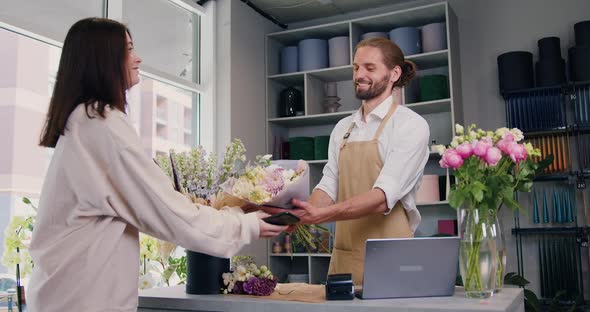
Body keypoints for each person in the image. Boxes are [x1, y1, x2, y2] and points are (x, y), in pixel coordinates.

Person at [27, 17, 287, 312]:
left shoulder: (81, 123)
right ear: (103, 59)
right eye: (128, 49)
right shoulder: (102, 127)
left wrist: (238, 215)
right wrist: (248, 225)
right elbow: (170, 213)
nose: (137, 58)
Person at [264, 38, 430, 285]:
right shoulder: (343, 127)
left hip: (391, 256)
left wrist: (322, 216)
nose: (359, 75)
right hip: (345, 256)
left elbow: (382, 197)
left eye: (370, 68)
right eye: (355, 67)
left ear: (394, 73)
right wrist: (299, 212)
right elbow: (330, 184)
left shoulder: (411, 125)